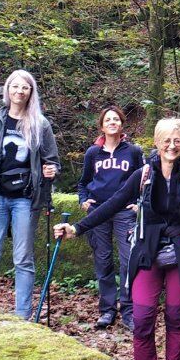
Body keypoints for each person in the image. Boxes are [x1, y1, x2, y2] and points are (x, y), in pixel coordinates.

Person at [55, 118, 180, 360]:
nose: (171, 146)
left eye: (177, 141)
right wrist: (77, 228)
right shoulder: (142, 175)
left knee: (176, 316)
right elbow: (112, 204)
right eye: (166, 140)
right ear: (156, 142)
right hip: (146, 251)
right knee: (142, 316)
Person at [0, 69, 60, 320]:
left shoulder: (40, 124)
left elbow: (52, 162)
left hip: (26, 200)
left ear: (31, 92)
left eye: (25, 87)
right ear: (7, 90)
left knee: (23, 259)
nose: (19, 91)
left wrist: (51, 171)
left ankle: (22, 317)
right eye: (15, 86)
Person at [77, 105, 144, 329]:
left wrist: (138, 203)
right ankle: (107, 310)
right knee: (103, 260)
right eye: (108, 120)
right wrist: (83, 200)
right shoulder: (92, 153)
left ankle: (128, 309)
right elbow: (84, 182)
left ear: (122, 124)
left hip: (125, 212)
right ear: (102, 125)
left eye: (116, 119)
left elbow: (144, 180)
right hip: (98, 212)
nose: (112, 123)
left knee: (128, 260)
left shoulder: (133, 152)